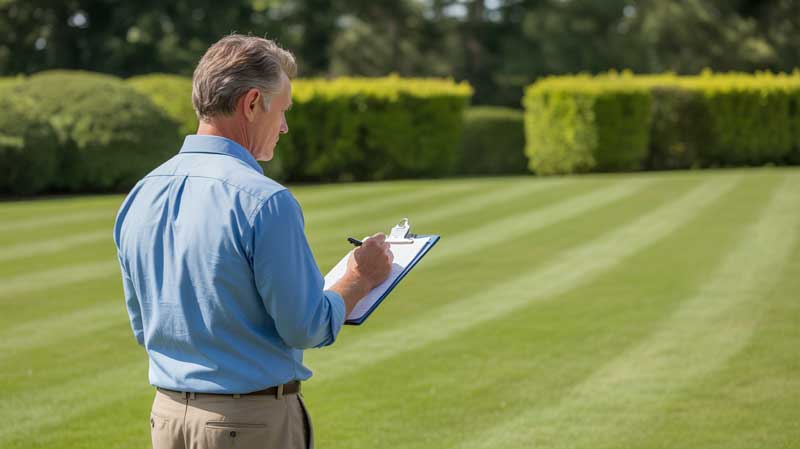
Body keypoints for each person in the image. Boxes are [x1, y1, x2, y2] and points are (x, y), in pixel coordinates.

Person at [113, 34, 393, 449]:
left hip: (168, 419)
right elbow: (306, 325)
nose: (283, 126)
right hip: (246, 423)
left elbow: (145, 326)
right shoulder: (264, 200)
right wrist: (359, 276)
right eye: (281, 111)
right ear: (250, 104)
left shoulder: (141, 193)